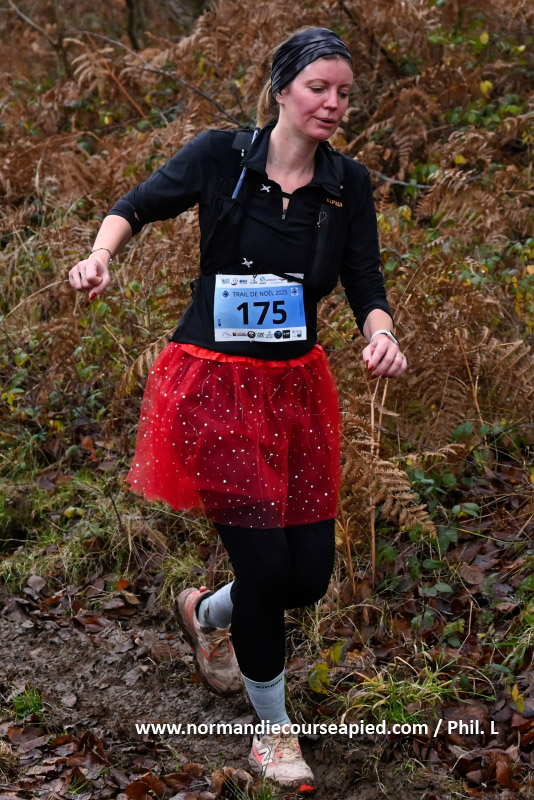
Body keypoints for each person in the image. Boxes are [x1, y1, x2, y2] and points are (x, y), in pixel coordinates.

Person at [69, 26, 407, 792]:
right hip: (213, 387)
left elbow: (366, 282)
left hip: (296, 394)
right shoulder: (221, 157)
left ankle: (205, 613)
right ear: (282, 88)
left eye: (345, 92)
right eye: (319, 87)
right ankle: (273, 737)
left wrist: (382, 335)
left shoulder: (346, 185)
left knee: (306, 577)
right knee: (264, 566)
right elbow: (135, 206)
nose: (333, 103)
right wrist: (100, 255)